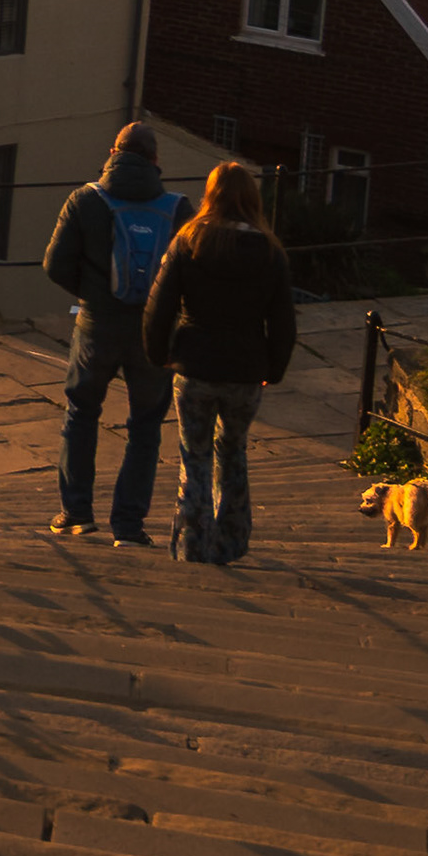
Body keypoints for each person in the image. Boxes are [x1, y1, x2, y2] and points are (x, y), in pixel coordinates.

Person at [144, 160, 299, 568]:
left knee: (193, 455)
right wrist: (274, 368)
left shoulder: (189, 240)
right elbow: (283, 321)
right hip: (246, 371)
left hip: (195, 365)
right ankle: (229, 542)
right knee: (232, 450)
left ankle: (193, 542)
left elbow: (159, 308)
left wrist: (159, 353)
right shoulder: (269, 252)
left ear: (210, 196)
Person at [41, 126, 186, 543]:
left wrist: (92, 295)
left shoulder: (85, 200)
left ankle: (77, 512)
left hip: (97, 324)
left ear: (113, 153)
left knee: (82, 412)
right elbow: (186, 273)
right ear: (155, 161)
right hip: (153, 331)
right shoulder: (177, 208)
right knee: (146, 424)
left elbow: (54, 264)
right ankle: (128, 524)